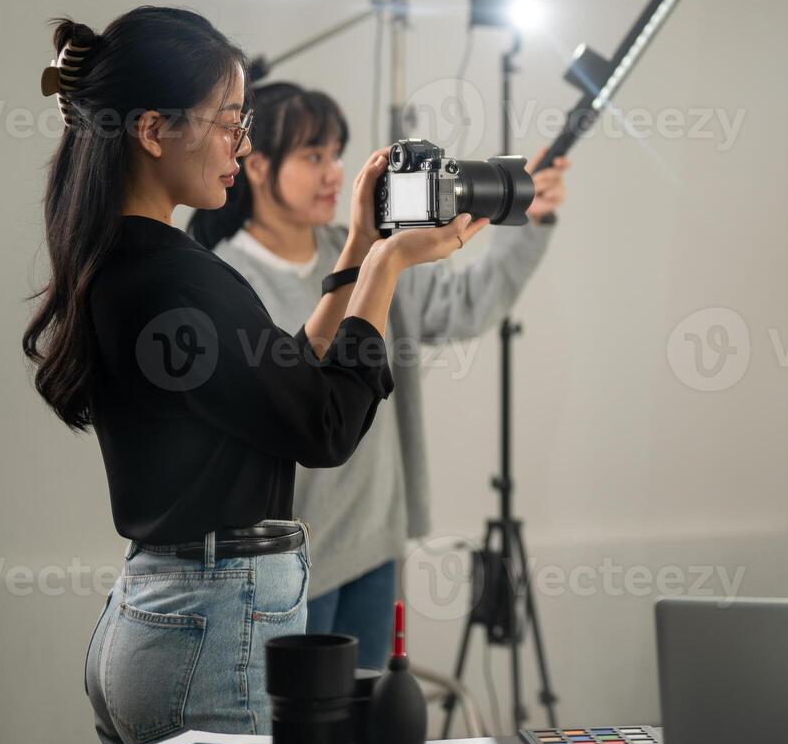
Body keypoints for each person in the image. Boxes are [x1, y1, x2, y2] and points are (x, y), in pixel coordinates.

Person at [21, 7, 486, 744]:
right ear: (151, 131)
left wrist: (361, 247)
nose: (241, 145)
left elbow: (285, 385)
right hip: (208, 636)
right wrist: (388, 268)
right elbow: (324, 427)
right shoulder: (179, 281)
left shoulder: (127, 263)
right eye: (229, 122)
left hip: (154, 621)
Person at [187, 80, 568, 670]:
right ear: (256, 165)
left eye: (337, 154)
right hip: (283, 561)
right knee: (299, 743)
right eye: (314, 156)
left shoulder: (370, 251)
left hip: (375, 541)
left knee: (363, 734)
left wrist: (531, 218)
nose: (333, 173)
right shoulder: (229, 280)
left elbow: (464, 304)